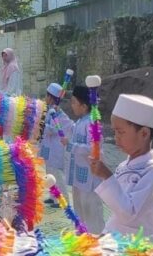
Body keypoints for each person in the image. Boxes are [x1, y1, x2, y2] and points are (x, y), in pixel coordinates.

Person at [90, 94, 153, 249]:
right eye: (114, 132)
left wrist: (107, 176)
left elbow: (129, 213)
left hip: (143, 248)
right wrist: (105, 233)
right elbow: (118, 214)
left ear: (144, 134)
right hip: (121, 244)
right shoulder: (124, 166)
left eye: (121, 132)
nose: (116, 138)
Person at [61, 86, 104, 234]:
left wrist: (71, 145)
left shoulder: (92, 123)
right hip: (79, 179)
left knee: (92, 214)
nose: (71, 105)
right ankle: (82, 241)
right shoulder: (80, 122)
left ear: (84, 106)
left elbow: (93, 149)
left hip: (90, 179)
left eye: (74, 102)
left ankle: (96, 244)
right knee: (80, 213)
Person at [40, 83, 73, 208]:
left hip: (56, 149)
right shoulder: (50, 110)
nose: (45, 98)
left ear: (51, 97)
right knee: (50, 173)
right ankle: (54, 197)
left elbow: (53, 129)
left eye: (47, 96)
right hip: (50, 147)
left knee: (57, 175)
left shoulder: (58, 113)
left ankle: (63, 200)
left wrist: (40, 123)